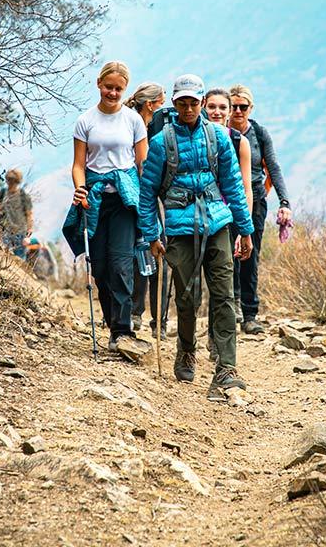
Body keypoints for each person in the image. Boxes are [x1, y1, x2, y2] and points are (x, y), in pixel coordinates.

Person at [138, 74, 254, 401]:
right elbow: (147, 194)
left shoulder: (218, 138)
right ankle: (186, 349)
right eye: (182, 103)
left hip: (218, 225)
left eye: (193, 102)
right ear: (175, 104)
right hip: (179, 229)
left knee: (224, 296)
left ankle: (227, 368)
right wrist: (152, 235)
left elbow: (233, 186)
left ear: (201, 103)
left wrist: (245, 230)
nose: (188, 108)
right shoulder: (161, 142)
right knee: (187, 297)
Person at [63, 61, 148, 352]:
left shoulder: (133, 121)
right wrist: (80, 189)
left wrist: (148, 197)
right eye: (108, 87)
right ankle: (113, 325)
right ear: (99, 84)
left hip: (124, 200)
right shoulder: (85, 121)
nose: (112, 93)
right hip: (95, 198)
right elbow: (78, 165)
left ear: (125, 90)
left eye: (118, 89)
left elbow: (142, 163)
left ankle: (123, 331)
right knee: (99, 266)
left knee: (121, 264)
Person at [228, 84, 292, 335]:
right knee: (227, 255)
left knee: (250, 254)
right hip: (225, 200)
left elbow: (273, 167)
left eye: (243, 107)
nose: (238, 111)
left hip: (255, 200)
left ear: (250, 108)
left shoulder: (259, 134)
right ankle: (231, 308)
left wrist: (284, 202)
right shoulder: (220, 132)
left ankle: (250, 314)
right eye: (234, 106)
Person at [203, 88, 252, 360]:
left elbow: (245, 187)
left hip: (230, 216)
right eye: (212, 106)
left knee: (224, 281)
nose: (217, 112)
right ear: (204, 106)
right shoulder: (196, 137)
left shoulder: (238, 141)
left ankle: (218, 340)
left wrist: (245, 228)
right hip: (200, 214)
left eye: (223, 107)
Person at [124, 83, 169, 337]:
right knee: (154, 250)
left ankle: (137, 314)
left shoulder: (136, 124)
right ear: (150, 105)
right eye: (161, 103)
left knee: (140, 252)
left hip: (135, 197)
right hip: (144, 198)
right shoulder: (138, 127)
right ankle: (156, 320)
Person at [0, 168, 34, 259]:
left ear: (17, 182)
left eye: (13, 181)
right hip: (4, 231)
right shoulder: (2, 194)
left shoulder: (23, 196)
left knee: (19, 259)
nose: (11, 184)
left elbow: (29, 214)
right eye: (9, 181)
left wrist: (29, 231)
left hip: (20, 233)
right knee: (3, 257)